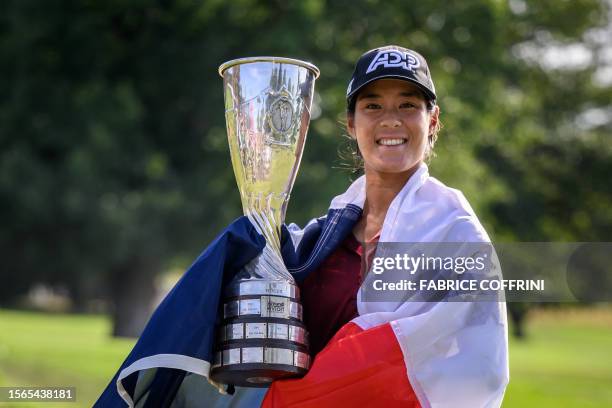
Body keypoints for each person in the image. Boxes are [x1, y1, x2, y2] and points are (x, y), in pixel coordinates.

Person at [96, 45, 509, 408]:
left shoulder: (456, 234)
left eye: (408, 105)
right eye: (373, 105)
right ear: (351, 123)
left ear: (433, 120)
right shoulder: (321, 237)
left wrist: (306, 396)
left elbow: (470, 366)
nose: (391, 120)